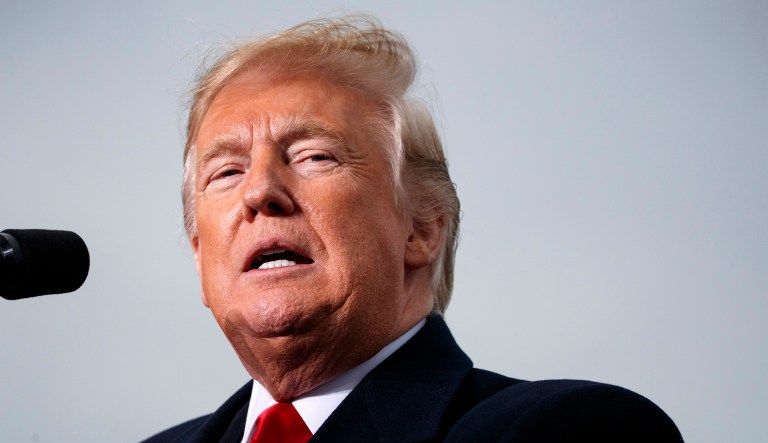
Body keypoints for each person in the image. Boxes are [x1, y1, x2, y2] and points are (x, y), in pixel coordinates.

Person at [143, 15, 683, 443]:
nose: (260, 191)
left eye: (314, 156)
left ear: (422, 228)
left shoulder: (570, 428)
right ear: (199, 253)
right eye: (226, 172)